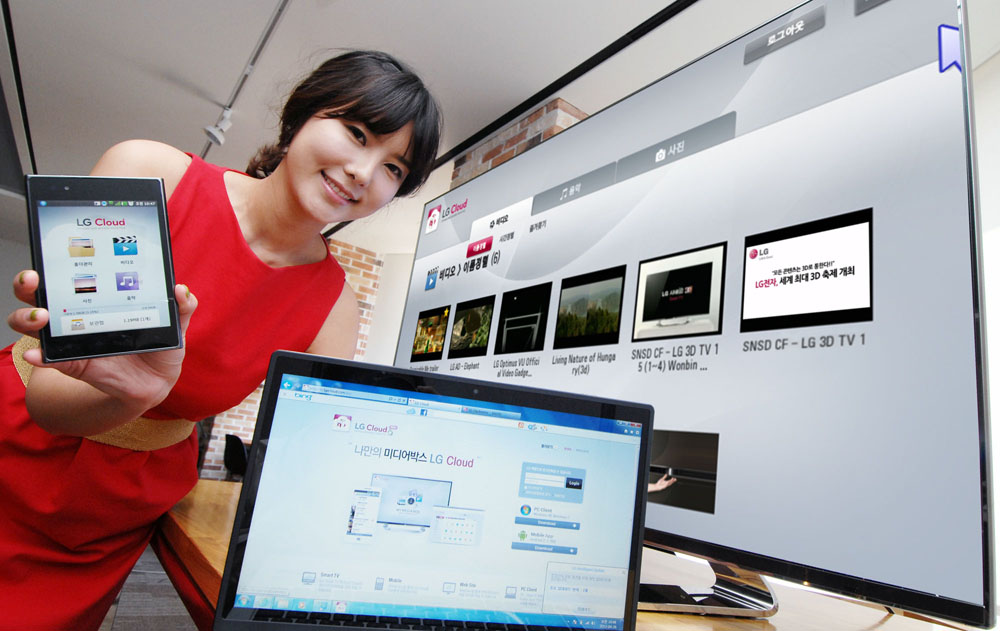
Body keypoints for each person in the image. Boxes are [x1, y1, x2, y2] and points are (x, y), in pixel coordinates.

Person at [0, 50, 441, 630]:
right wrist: (130, 393)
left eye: (394, 169)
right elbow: (51, 402)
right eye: (356, 133)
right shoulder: (149, 170)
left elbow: (308, 466)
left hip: (112, 509)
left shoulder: (336, 308)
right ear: (299, 119)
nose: (364, 171)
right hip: (16, 435)